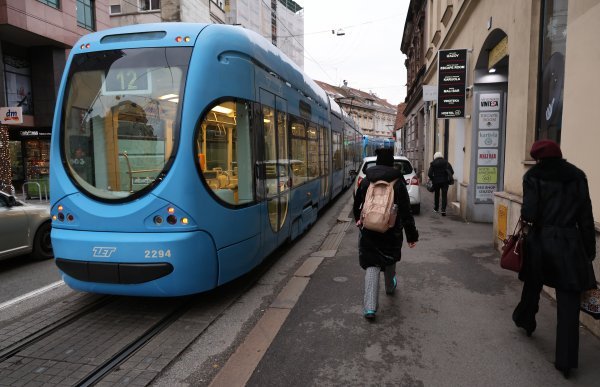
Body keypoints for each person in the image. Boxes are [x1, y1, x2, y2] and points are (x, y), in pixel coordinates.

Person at [511, 139, 596, 379]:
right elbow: (586, 216)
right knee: (569, 302)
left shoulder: (534, 176)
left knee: (532, 282)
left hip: (541, 240)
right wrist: (588, 249)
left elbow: (529, 213)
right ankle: (566, 361)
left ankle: (526, 320)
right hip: (570, 243)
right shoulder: (578, 176)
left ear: (537, 158)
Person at [353, 148, 419, 320]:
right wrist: (412, 236)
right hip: (391, 231)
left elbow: (357, 203)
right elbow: (406, 212)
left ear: (377, 162)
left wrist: (358, 220)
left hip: (368, 230)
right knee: (389, 259)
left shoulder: (367, 180)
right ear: (391, 162)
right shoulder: (398, 182)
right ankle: (390, 287)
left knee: (371, 264)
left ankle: (369, 308)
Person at [427, 152, 454, 216]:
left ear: (435, 157)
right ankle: (443, 210)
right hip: (445, 182)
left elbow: (429, 174)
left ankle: (436, 208)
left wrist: (433, 178)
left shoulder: (433, 163)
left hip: (436, 182)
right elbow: (452, 171)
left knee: (437, 195)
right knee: (444, 195)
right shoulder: (446, 163)